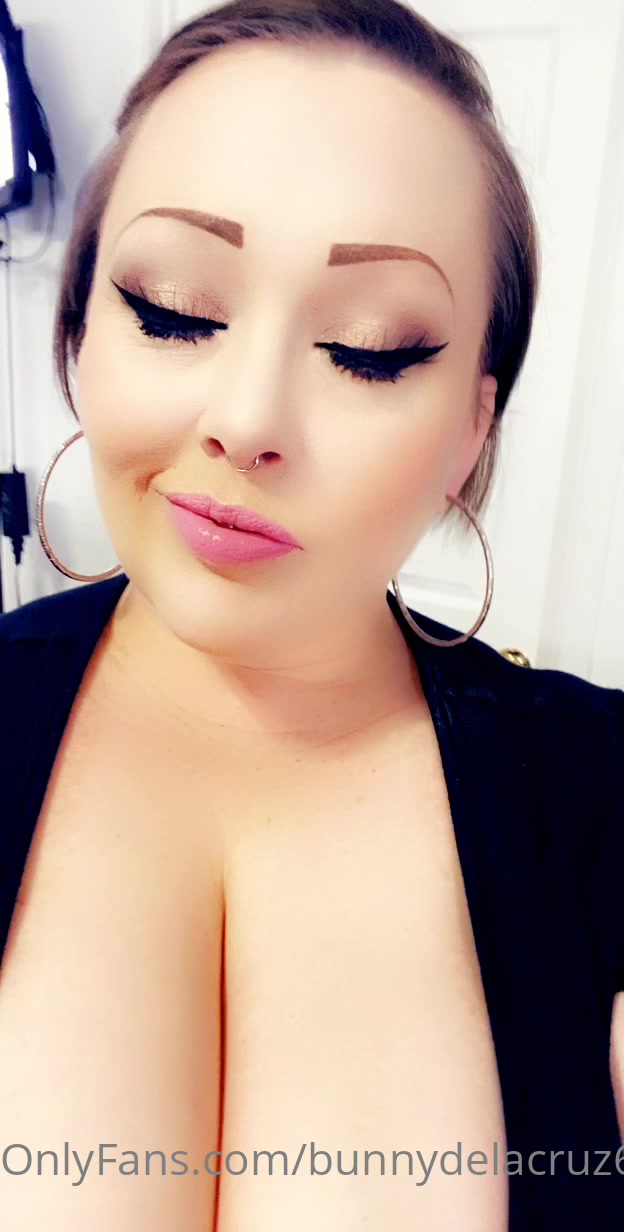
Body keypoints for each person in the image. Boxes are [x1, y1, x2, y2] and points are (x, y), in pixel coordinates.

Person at [0, 1, 623, 1228]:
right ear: (79, 332)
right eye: (174, 308)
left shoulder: (600, 794)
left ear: (473, 425)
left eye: (368, 348)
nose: (248, 419)